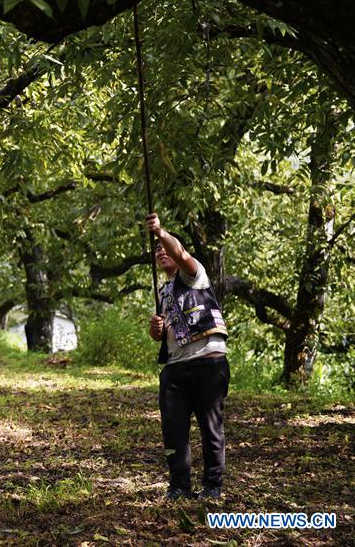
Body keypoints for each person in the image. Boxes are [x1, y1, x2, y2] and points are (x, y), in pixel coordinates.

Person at [146, 213, 230, 501]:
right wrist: (155, 328)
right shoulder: (163, 290)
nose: (161, 253)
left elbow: (180, 253)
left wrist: (160, 233)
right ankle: (179, 486)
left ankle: (212, 486)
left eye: (164, 249)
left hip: (208, 360)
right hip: (176, 366)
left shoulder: (194, 274)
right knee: (173, 429)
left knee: (211, 428)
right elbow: (160, 336)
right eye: (157, 252)